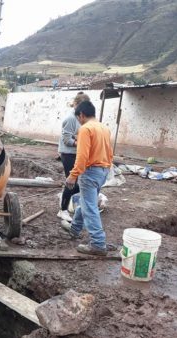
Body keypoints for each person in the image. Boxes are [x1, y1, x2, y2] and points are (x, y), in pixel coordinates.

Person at [60, 100, 113, 256]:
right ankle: (75, 229)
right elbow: (110, 152)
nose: (79, 121)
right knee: (86, 201)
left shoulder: (85, 129)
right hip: (103, 170)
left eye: (78, 119)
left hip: (90, 172)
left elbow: (82, 155)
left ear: (81, 115)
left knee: (90, 207)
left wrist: (73, 175)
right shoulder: (104, 128)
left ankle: (97, 243)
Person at [57, 92, 90, 222]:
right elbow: (66, 140)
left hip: (77, 153)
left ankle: (65, 198)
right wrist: (80, 143)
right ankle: (63, 210)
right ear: (76, 105)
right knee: (72, 181)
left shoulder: (82, 117)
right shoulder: (71, 119)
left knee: (79, 182)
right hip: (68, 153)